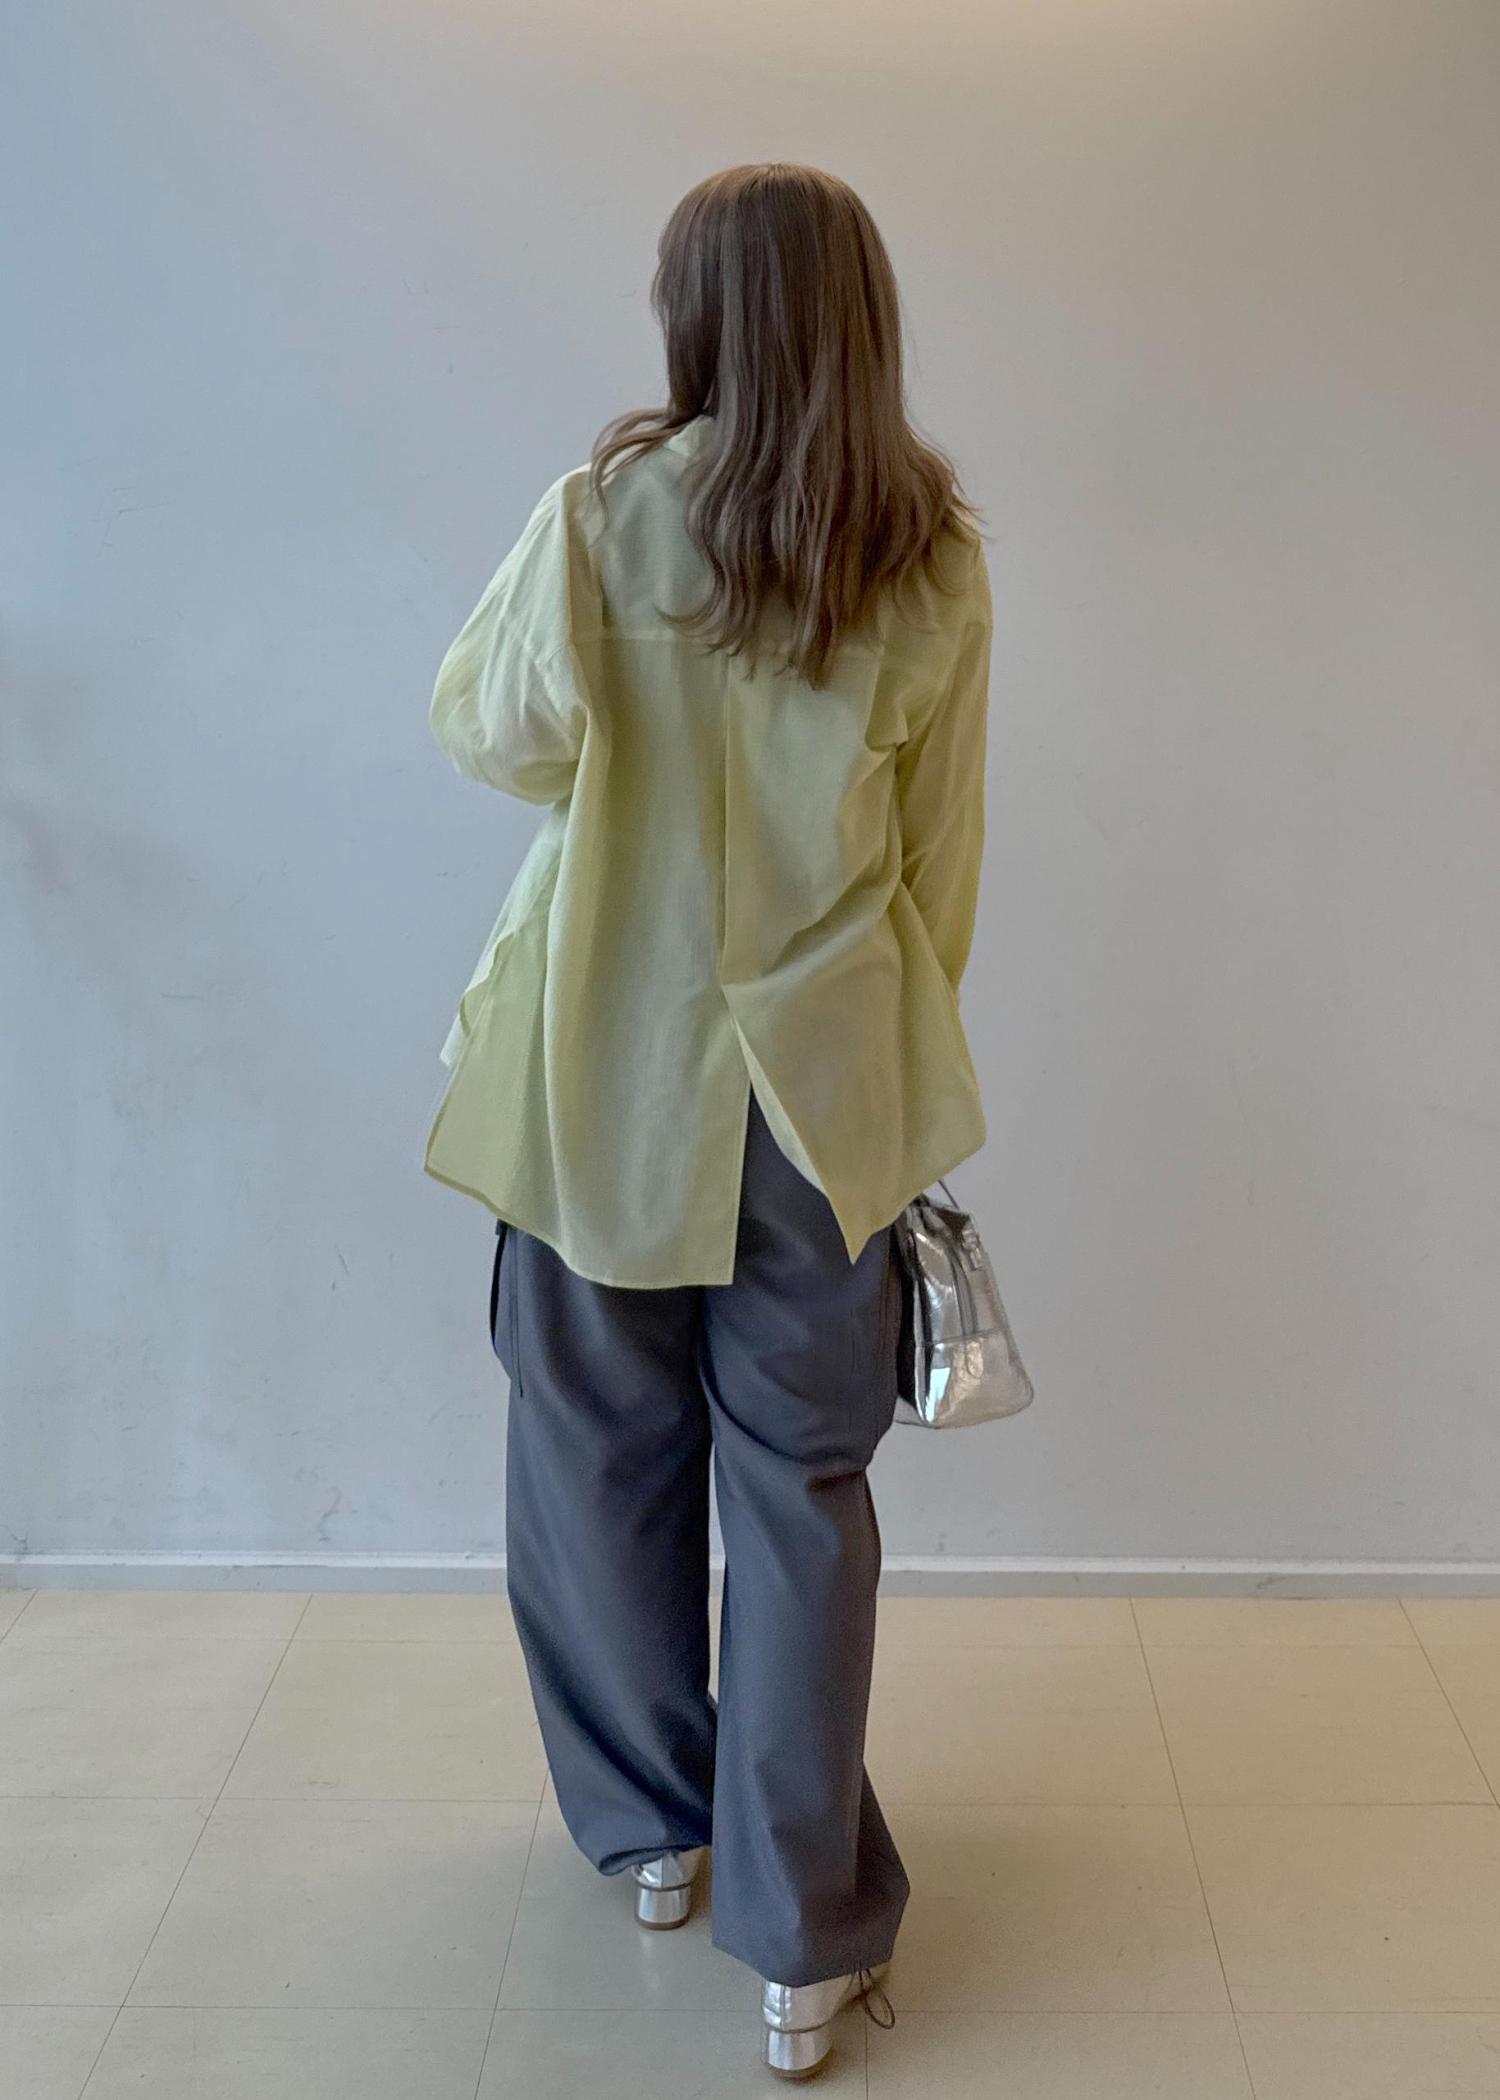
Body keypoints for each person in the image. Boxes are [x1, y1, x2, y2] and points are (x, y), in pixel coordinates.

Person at [424, 161, 991, 2080]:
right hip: (823, 1100)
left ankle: (654, 1830)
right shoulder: (931, 555)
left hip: (603, 1072)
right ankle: (801, 1940)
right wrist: (882, 1063)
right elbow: (938, 868)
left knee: (595, 1458)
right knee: (804, 1496)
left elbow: (492, 736)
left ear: (694, 315)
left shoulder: (602, 518)